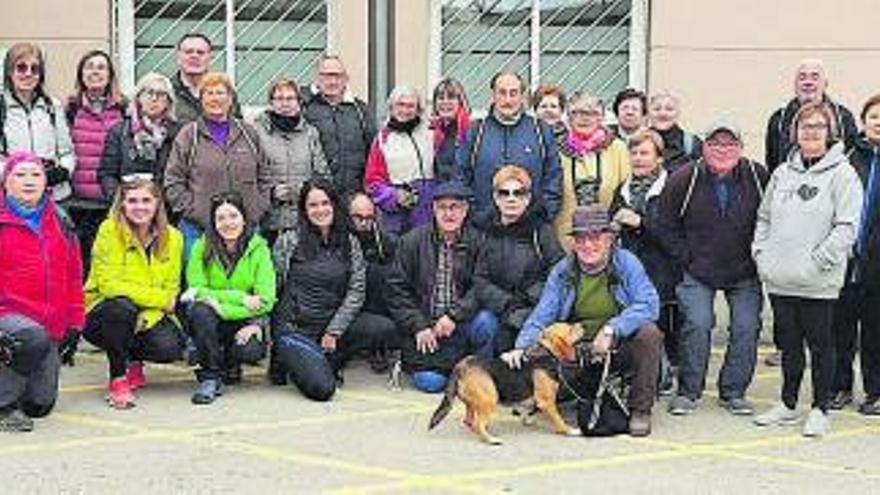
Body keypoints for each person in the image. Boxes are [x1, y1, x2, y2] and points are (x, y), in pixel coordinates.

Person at [753, 102, 863, 437]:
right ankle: (787, 404)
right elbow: (764, 218)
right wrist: (762, 254)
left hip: (819, 281)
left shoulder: (842, 173)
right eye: (805, 127)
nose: (811, 132)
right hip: (781, 278)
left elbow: (847, 226)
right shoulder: (782, 173)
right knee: (789, 345)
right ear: (794, 133)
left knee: (821, 345)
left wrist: (819, 261)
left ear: (830, 132)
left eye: (818, 126)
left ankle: (820, 408)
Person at [509, 205, 662, 436]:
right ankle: (544, 395)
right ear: (573, 242)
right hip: (576, 350)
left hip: (617, 347)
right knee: (541, 352)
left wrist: (613, 329)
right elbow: (542, 315)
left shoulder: (627, 263)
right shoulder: (563, 271)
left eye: (595, 237)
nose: (588, 245)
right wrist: (521, 349)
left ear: (609, 238)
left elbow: (650, 304)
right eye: (581, 238)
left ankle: (640, 409)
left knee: (649, 334)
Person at [657, 120, 768, 417]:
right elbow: (665, 225)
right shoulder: (684, 178)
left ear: (741, 148)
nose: (723, 149)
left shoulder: (758, 176)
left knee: (746, 328)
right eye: (716, 143)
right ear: (704, 147)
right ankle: (689, 391)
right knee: (698, 324)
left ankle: (733, 392)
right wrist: (686, 257)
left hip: (744, 270)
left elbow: (771, 218)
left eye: (730, 143)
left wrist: (762, 255)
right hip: (698, 269)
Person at [271, 181, 397, 400]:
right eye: (313, 205)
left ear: (334, 206)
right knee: (323, 390)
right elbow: (273, 288)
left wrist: (334, 330)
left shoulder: (350, 242)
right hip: (296, 327)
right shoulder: (289, 241)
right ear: (304, 209)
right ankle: (287, 356)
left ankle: (327, 358)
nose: (320, 210)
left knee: (383, 328)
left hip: (330, 325)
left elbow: (356, 292)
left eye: (325, 203)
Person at [386, 180, 499, 393]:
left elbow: (481, 286)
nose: (449, 214)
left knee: (487, 322)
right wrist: (418, 325)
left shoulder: (479, 241)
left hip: (460, 323)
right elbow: (396, 290)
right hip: (426, 326)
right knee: (430, 383)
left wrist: (454, 316)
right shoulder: (411, 241)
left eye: (455, 207)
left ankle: (479, 374)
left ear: (465, 211)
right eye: (442, 207)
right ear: (433, 210)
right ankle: (452, 368)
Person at [83, 178, 184, 409]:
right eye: (132, 201)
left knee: (169, 347)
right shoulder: (109, 230)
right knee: (121, 308)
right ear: (122, 205)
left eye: (146, 200)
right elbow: (109, 285)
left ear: (158, 203)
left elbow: (171, 287)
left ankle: (135, 363)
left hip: (146, 312)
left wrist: (147, 317)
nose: (140, 207)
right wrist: (160, 300)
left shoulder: (174, 237)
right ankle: (118, 378)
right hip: (104, 310)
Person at [0, 151, 83, 432]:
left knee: (40, 405)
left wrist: (74, 323)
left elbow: (73, 276)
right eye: (19, 175)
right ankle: (3, 406)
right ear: (6, 182)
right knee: (28, 337)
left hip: (48, 326)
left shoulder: (61, 219)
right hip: (9, 319)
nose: (28, 181)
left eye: (35, 174)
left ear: (46, 182)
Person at [185, 192, 276, 405]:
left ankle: (231, 362)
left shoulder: (259, 249)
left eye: (233, 216)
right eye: (221, 218)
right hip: (210, 320)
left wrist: (224, 308)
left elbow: (266, 299)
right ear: (214, 222)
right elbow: (195, 290)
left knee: (251, 349)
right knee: (200, 311)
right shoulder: (201, 246)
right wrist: (241, 298)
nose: (228, 223)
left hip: (242, 320)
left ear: (244, 218)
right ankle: (210, 377)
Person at [164, 72, 269, 256]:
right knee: (199, 283)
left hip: (246, 229)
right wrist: (196, 212)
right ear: (201, 99)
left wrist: (256, 209)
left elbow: (266, 175)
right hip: (198, 230)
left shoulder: (249, 133)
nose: (215, 98)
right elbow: (173, 181)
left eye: (220, 93)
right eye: (209, 93)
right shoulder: (189, 135)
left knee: (245, 283)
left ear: (230, 98)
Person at [610, 129, 681, 393]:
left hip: (663, 271)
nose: (638, 159)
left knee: (663, 327)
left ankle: (666, 376)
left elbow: (675, 236)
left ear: (659, 158)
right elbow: (613, 221)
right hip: (630, 268)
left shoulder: (672, 187)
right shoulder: (623, 188)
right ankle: (641, 375)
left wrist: (641, 223)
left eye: (645, 153)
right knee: (636, 326)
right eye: (634, 153)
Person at [474, 165, 564, 352]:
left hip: (533, 307)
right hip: (497, 307)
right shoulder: (483, 231)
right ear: (496, 198)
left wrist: (527, 299)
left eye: (519, 193)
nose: (511, 199)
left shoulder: (542, 231)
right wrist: (506, 302)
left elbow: (559, 272)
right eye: (504, 193)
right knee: (483, 323)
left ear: (528, 198)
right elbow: (478, 278)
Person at [456, 72, 561, 221]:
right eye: (502, 93)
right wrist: (474, 217)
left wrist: (544, 216)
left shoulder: (541, 131)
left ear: (522, 96)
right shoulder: (476, 131)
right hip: (484, 228)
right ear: (493, 95)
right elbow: (461, 176)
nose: (508, 100)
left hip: (529, 228)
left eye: (513, 93)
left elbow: (553, 177)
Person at [831, 94, 880, 415]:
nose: (879, 123)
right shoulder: (846, 157)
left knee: (877, 328)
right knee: (840, 328)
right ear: (863, 122)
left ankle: (875, 392)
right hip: (846, 257)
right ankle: (839, 387)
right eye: (874, 117)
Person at [65, 49, 127, 273]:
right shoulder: (70, 109)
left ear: (110, 75)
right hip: (78, 203)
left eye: (101, 67)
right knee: (79, 263)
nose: (95, 72)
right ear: (81, 74)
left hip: (112, 202)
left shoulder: (124, 108)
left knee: (110, 264)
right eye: (89, 66)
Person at [254, 77, 330, 244]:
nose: (285, 103)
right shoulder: (256, 132)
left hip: (303, 220)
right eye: (279, 98)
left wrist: (306, 191)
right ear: (271, 102)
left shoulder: (310, 133)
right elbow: (249, 176)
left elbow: (322, 173)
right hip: (269, 221)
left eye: (290, 98)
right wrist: (271, 193)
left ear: (298, 102)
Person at [553, 91, 630, 247]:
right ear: (568, 117)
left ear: (602, 117)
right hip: (562, 241)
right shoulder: (554, 149)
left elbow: (627, 195)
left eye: (592, 113)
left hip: (605, 242)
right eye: (577, 112)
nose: (584, 118)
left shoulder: (618, 149)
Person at [0, 43, 75, 203]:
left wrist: (61, 172)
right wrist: (23, 179)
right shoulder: (2, 108)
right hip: (13, 199)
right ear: (9, 72)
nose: (28, 74)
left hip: (54, 197)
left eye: (34, 69)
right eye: (21, 68)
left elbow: (67, 152)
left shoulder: (52, 106)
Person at [98, 73, 180, 206]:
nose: (154, 99)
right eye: (149, 92)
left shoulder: (179, 134)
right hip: (127, 209)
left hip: (166, 210)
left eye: (161, 94)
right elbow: (107, 174)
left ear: (168, 102)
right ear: (139, 97)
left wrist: (164, 203)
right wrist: (121, 202)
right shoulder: (119, 132)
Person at [765, 58, 858, 173]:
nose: (808, 82)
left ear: (825, 84)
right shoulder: (778, 119)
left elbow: (853, 158)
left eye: (815, 77)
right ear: (795, 84)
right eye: (802, 77)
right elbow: (772, 163)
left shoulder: (843, 117)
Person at [364, 86, 435, 236]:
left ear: (418, 109)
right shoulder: (383, 139)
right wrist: (394, 196)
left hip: (428, 211)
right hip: (398, 215)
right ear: (391, 108)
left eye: (410, 106)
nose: (405, 110)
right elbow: (372, 182)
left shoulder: (431, 133)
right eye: (400, 105)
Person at [302, 54, 376, 196]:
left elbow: (372, 153)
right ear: (317, 79)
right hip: (318, 198)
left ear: (346, 79)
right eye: (326, 76)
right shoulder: (305, 107)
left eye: (338, 76)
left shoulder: (360, 110)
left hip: (354, 195)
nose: (332, 81)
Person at [348, 191, 400, 371]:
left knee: (382, 276)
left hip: (373, 300)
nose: (364, 223)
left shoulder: (383, 239)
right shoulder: (339, 237)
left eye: (369, 218)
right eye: (358, 217)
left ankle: (379, 346)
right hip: (343, 297)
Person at [171, 33, 241, 124]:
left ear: (210, 58)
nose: (194, 56)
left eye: (200, 52)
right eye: (188, 52)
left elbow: (238, 129)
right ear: (178, 57)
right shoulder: (166, 92)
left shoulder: (226, 92)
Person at [648, 91, 701, 174]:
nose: (662, 113)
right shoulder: (637, 141)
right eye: (656, 109)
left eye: (669, 109)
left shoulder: (692, 144)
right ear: (649, 113)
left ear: (678, 113)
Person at [430, 77, 470, 182]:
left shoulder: (470, 131)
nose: (445, 102)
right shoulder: (433, 131)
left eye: (451, 97)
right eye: (441, 98)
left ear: (460, 102)